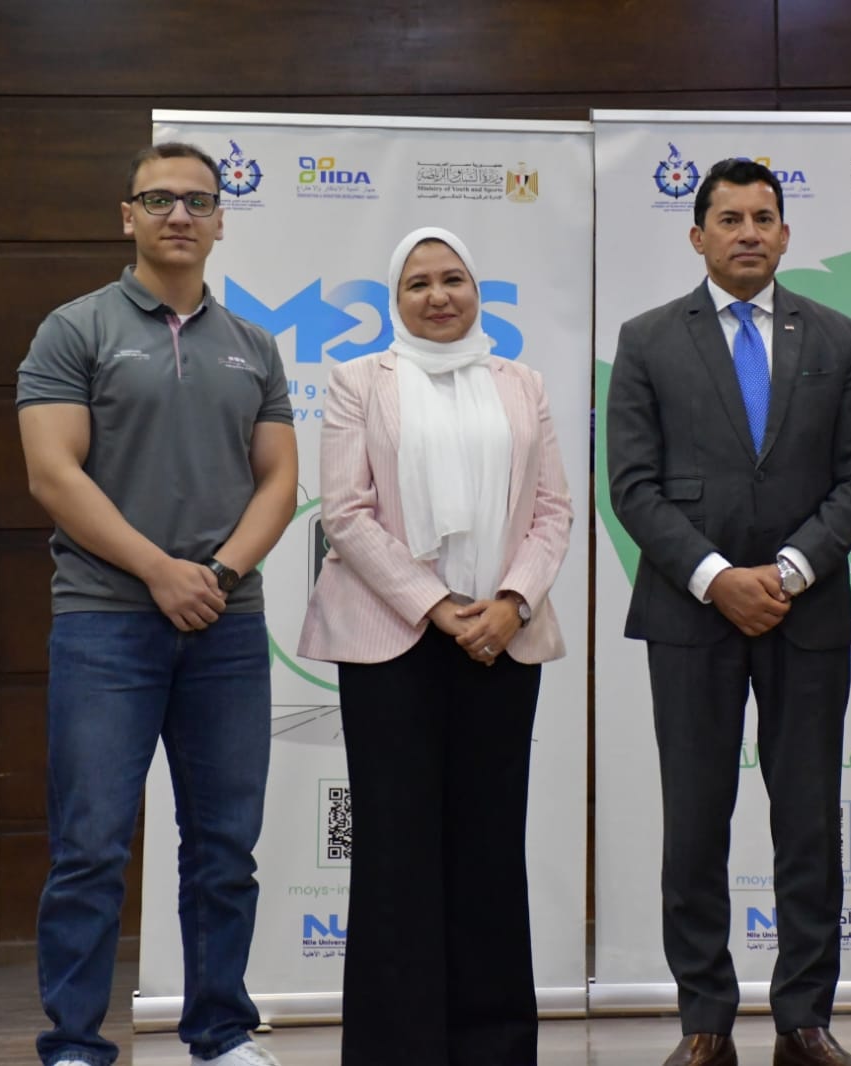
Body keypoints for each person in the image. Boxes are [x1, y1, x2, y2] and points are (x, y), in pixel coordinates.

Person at [16, 142, 298, 1066]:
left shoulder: (254, 344)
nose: (179, 215)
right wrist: (160, 572)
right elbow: (53, 474)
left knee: (224, 845)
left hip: (225, 626)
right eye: (159, 199)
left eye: (198, 201)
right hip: (104, 620)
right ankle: (73, 1043)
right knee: (91, 844)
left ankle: (219, 1034)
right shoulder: (75, 329)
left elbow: (279, 482)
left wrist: (215, 576)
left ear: (220, 220)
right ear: (127, 216)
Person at [607, 160, 851, 1066]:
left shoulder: (836, 336)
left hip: (807, 614)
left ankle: (804, 1019)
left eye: (763, 218)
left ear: (785, 234)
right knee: (695, 822)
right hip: (690, 614)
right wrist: (717, 576)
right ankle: (705, 1022)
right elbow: (632, 487)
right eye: (729, 219)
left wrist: (792, 571)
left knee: (806, 821)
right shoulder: (647, 339)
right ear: (698, 236)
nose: (748, 233)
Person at [298, 227, 572, 1066]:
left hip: (502, 639)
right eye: (417, 283)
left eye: (453, 279)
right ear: (395, 299)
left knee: (490, 849)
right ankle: (398, 1048)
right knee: (396, 852)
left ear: (476, 290)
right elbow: (345, 513)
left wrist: (511, 602)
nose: (438, 295)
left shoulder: (521, 383)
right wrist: (440, 607)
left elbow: (553, 511)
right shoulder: (359, 381)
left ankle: (493, 1047)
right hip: (392, 643)